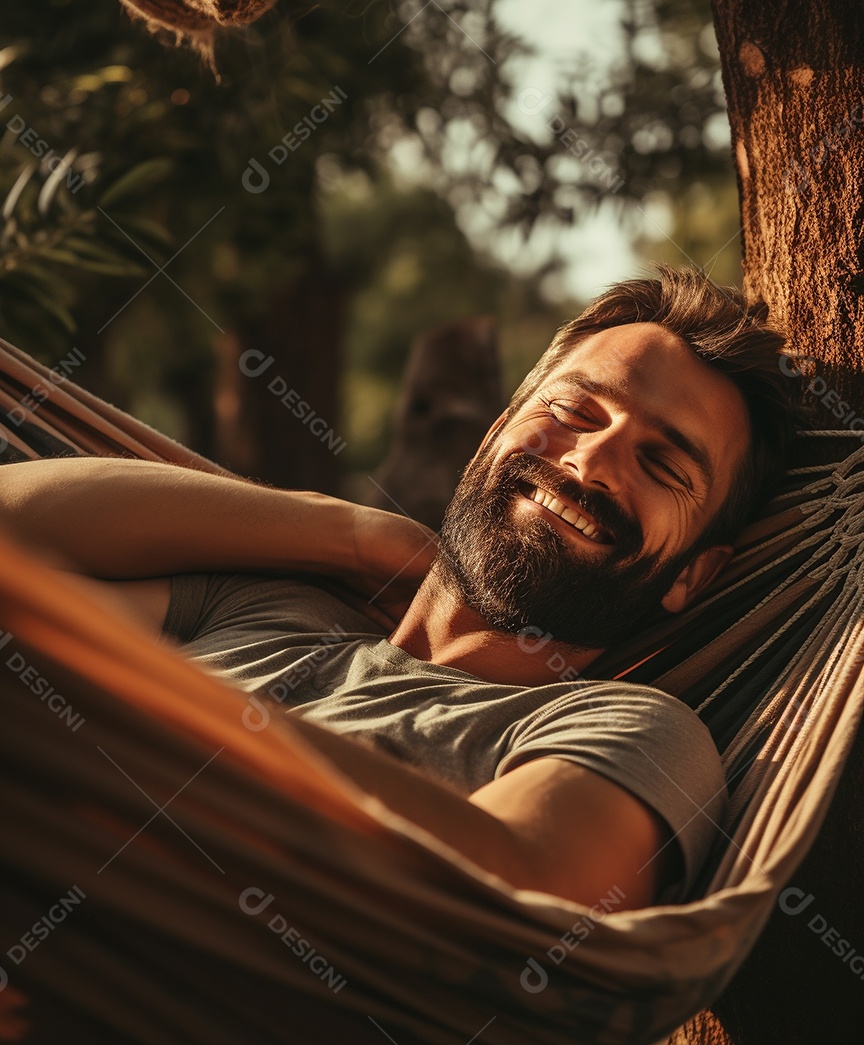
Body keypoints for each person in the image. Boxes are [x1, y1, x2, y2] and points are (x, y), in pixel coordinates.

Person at [0, 266, 799, 912]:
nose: (590, 463)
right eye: (574, 409)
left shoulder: (633, 730)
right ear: (496, 430)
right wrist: (341, 530)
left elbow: (524, 883)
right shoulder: (274, 607)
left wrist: (145, 716)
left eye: (663, 465)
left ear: (691, 574)